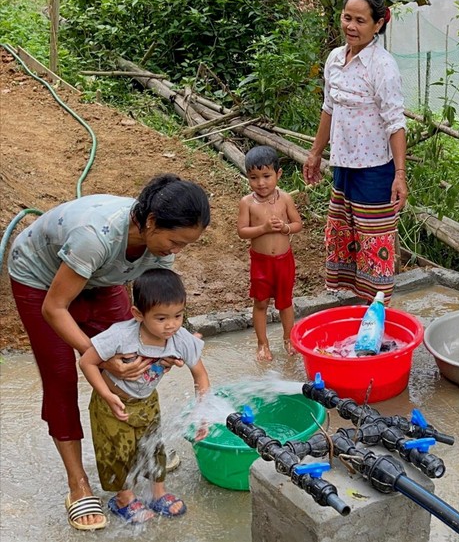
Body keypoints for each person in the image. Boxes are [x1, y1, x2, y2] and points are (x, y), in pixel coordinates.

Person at [7, 174, 210, 531]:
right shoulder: (95, 237)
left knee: (131, 357)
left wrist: (175, 343)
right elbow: (55, 308)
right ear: (150, 222)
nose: (176, 251)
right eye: (175, 241)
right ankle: (78, 484)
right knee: (61, 375)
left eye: (186, 245)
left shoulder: (157, 247)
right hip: (42, 280)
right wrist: (96, 354)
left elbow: (161, 306)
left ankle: (137, 452)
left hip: (101, 277)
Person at [79, 269, 210, 524]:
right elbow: (86, 362)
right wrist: (106, 394)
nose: (171, 325)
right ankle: (124, 499)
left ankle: (157, 493)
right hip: (111, 404)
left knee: (153, 446)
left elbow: (201, 376)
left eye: (178, 316)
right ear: (138, 314)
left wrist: (202, 414)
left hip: (147, 401)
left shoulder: (179, 339)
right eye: (161, 318)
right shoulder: (120, 335)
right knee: (118, 452)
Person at [303, 0, 407, 304]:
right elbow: (329, 109)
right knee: (344, 237)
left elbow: (396, 124)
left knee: (374, 246)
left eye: (360, 20)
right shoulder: (335, 59)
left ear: (378, 24)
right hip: (344, 167)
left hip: (375, 170)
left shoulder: (383, 67)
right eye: (347, 17)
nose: (351, 26)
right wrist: (315, 153)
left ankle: (376, 319)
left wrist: (399, 174)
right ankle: (351, 313)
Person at [237, 146, 303, 361]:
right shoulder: (247, 203)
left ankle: (288, 339)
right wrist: (263, 229)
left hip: (284, 261)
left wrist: (285, 228)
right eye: (254, 178)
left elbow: (297, 224)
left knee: (285, 302)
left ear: (278, 174)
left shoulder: (284, 199)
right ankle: (262, 344)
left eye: (266, 176)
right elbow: (242, 231)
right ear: (247, 177)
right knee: (261, 302)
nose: (261, 183)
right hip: (261, 262)